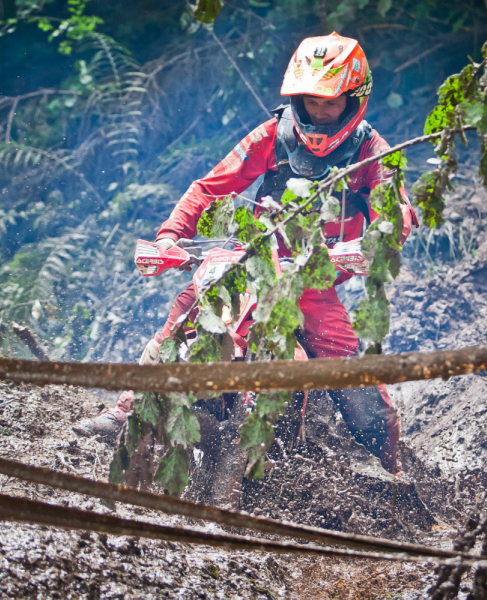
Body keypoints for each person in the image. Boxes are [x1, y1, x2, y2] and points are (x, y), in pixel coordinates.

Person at [74, 32, 418, 474]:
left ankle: (397, 475)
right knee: (187, 310)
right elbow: (210, 187)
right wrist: (170, 236)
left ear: (355, 98)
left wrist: (376, 244)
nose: (319, 112)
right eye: (311, 102)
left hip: (313, 282)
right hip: (252, 265)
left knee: (361, 395)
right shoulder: (273, 135)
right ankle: (127, 412)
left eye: (330, 103)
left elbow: (398, 211)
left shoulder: (373, 152)